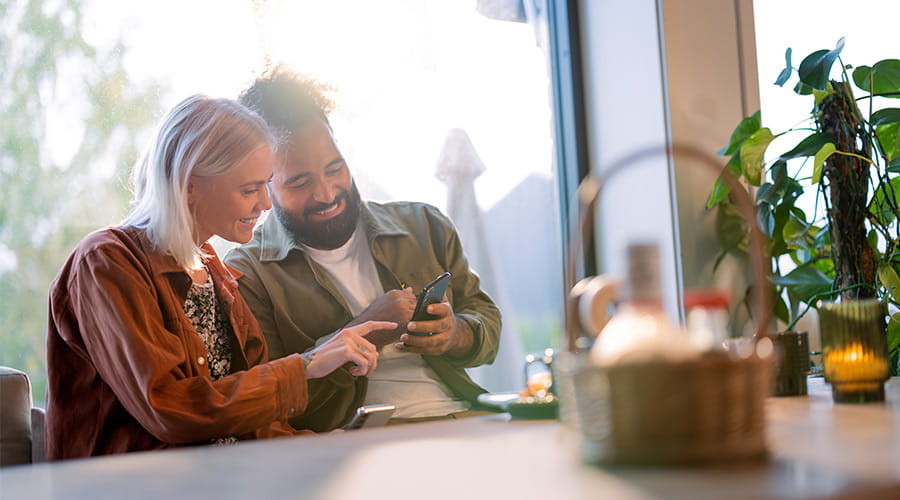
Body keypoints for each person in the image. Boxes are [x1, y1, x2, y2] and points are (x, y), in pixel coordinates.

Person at [45, 95, 394, 460]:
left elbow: (248, 419)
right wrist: (304, 367)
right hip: (132, 481)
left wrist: (317, 445)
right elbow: (169, 409)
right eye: (249, 189)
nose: (266, 203)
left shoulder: (215, 272)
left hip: (221, 474)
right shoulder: (106, 262)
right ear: (189, 186)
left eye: (266, 184)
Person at [225, 67, 502, 430]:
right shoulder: (247, 273)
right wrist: (366, 330)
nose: (326, 194)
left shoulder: (425, 225)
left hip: (464, 416)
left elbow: (487, 323)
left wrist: (454, 335)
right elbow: (268, 396)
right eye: (300, 183)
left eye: (334, 169)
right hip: (355, 437)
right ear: (265, 186)